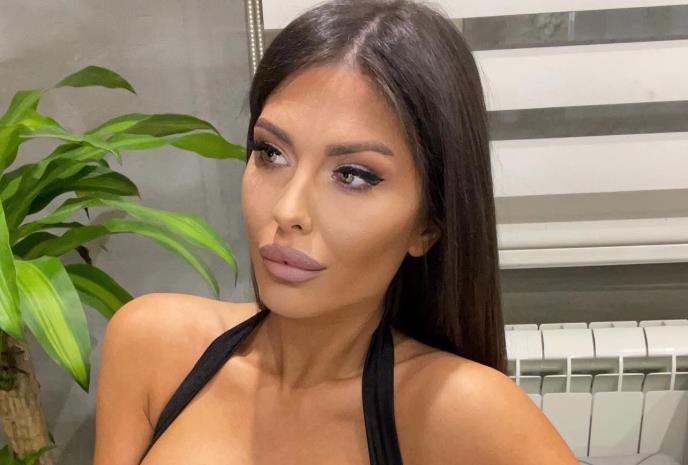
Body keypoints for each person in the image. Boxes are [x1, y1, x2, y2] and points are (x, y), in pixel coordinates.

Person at [94, 1, 580, 464]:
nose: (288, 210)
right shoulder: (152, 345)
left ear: (428, 225)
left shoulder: (459, 410)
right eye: (271, 153)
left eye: (353, 175)